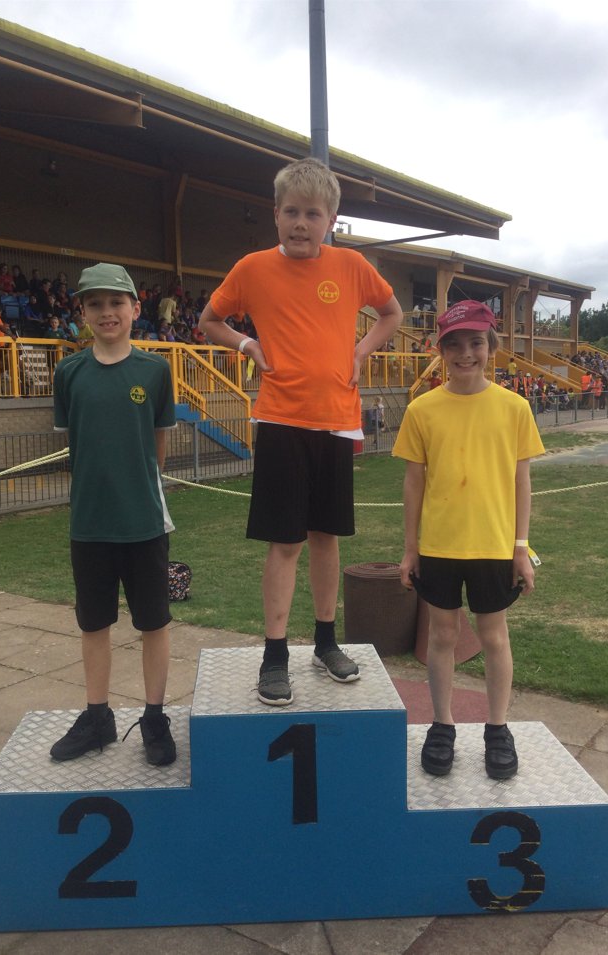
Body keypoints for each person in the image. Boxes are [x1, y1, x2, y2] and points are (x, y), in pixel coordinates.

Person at [199, 156, 403, 706]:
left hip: (337, 422)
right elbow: (208, 320)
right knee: (285, 542)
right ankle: (274, 655)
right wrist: (246, 344)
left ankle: (325, 642)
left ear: (330, 218)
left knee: (326, 539)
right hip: (282, 420)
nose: (301, 223)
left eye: (313, 214)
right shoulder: (252, 268)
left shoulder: (352, 266)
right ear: (275, 213)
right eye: (291, 211)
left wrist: (361, 350)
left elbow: (391, 311)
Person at [392, 300, 544, 780]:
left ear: (491, 348)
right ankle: (443, 724)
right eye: (454, 345)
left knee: (493, 637)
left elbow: (522, 482)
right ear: (441, 352)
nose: (465, 354)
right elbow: (414, 483)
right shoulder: (422, 409)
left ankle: (497, 729)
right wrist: (410, 548)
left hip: (494, 546)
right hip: (439, 545)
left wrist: (521, 548)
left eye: (476, 343)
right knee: (441, 636)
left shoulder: (514, 408)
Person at [49, 262, 177, 766]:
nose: (107, 313)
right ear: (82, 312)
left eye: (116, 303)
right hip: (90, 525)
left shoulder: (154, 371)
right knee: (94, 624)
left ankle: (154, 716)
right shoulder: (69, 373)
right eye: (95, 304)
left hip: (143, 523)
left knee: (154, 624)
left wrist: (140, 489)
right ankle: (98, 716)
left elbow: (158, 448)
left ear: (135, 309)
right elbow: (74, 447)